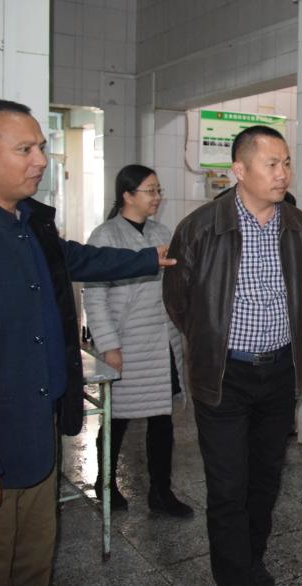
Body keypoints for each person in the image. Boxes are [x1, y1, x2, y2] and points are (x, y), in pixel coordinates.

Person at [0, 100, 174, 585]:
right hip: (1, 435)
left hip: (40, 426)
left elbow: (81, 260)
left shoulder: (30, 223)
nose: (40, 160)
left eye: (41, 147)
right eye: (25, 149)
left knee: (33, 558)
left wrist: (147, 259)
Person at [163, 126, 302, 586]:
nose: (282, 173)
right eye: (271, 164)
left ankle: (252, 560)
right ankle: (233, 576)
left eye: (286, 162)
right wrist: (211, 344)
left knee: (266, 479)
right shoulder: (200, 227)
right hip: (224, 375)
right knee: (228, 485)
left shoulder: (299, 227)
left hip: (279, 372)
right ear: (239, 170)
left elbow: (298, 293)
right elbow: (178, 301)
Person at [84, 164, 192, 517]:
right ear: (127, 195)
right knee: (117, 418)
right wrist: (109, 345)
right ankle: (105, 482)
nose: (157, 197)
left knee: (162, 420)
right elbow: (94, 296)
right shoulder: (105, 236)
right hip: (127, 343)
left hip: (162, 343)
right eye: (150, 190)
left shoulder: (162, 232)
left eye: (159, 190)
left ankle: (161, 493)